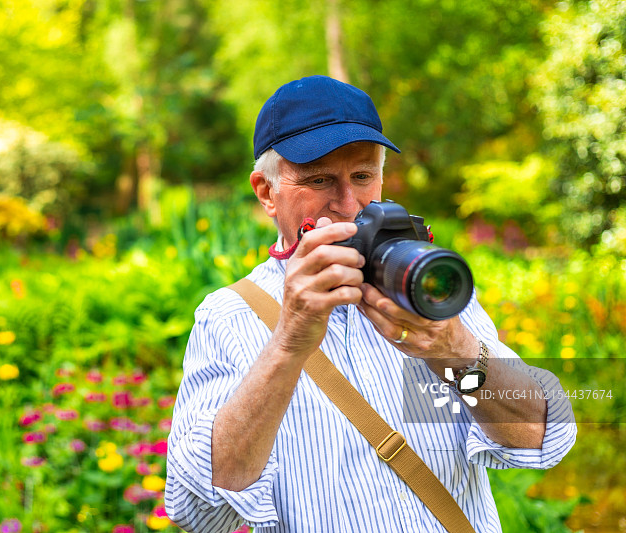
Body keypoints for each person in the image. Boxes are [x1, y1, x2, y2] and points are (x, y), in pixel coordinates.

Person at [165, 75, 576, 533]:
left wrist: (454, 348)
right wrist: (287, 345)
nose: (348, 204)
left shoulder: (425, 285)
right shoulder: (230, 316)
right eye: (320, 179)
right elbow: (197, 513)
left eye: (363, 176)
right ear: (266, 191)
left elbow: (540, 437)